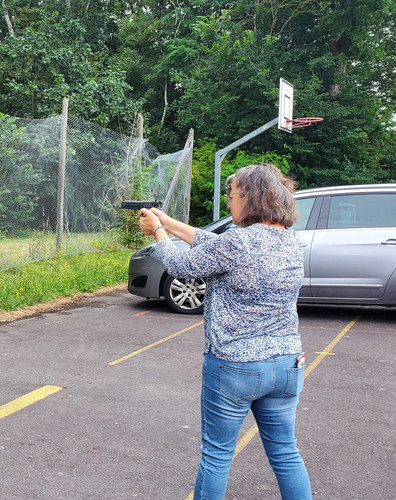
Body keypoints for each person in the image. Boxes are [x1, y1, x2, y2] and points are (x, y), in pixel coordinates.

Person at [137, 163, 312, 500]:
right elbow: (214, 245)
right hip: (287, 364)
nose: (229, 203)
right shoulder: (291, 240)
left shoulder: (237, 242)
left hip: (235, 366)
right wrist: (168, 222)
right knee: (286, 453)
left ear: (251, 197)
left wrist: (157, 231)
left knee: (217, 455)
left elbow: (181, 266)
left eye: (232, 196)